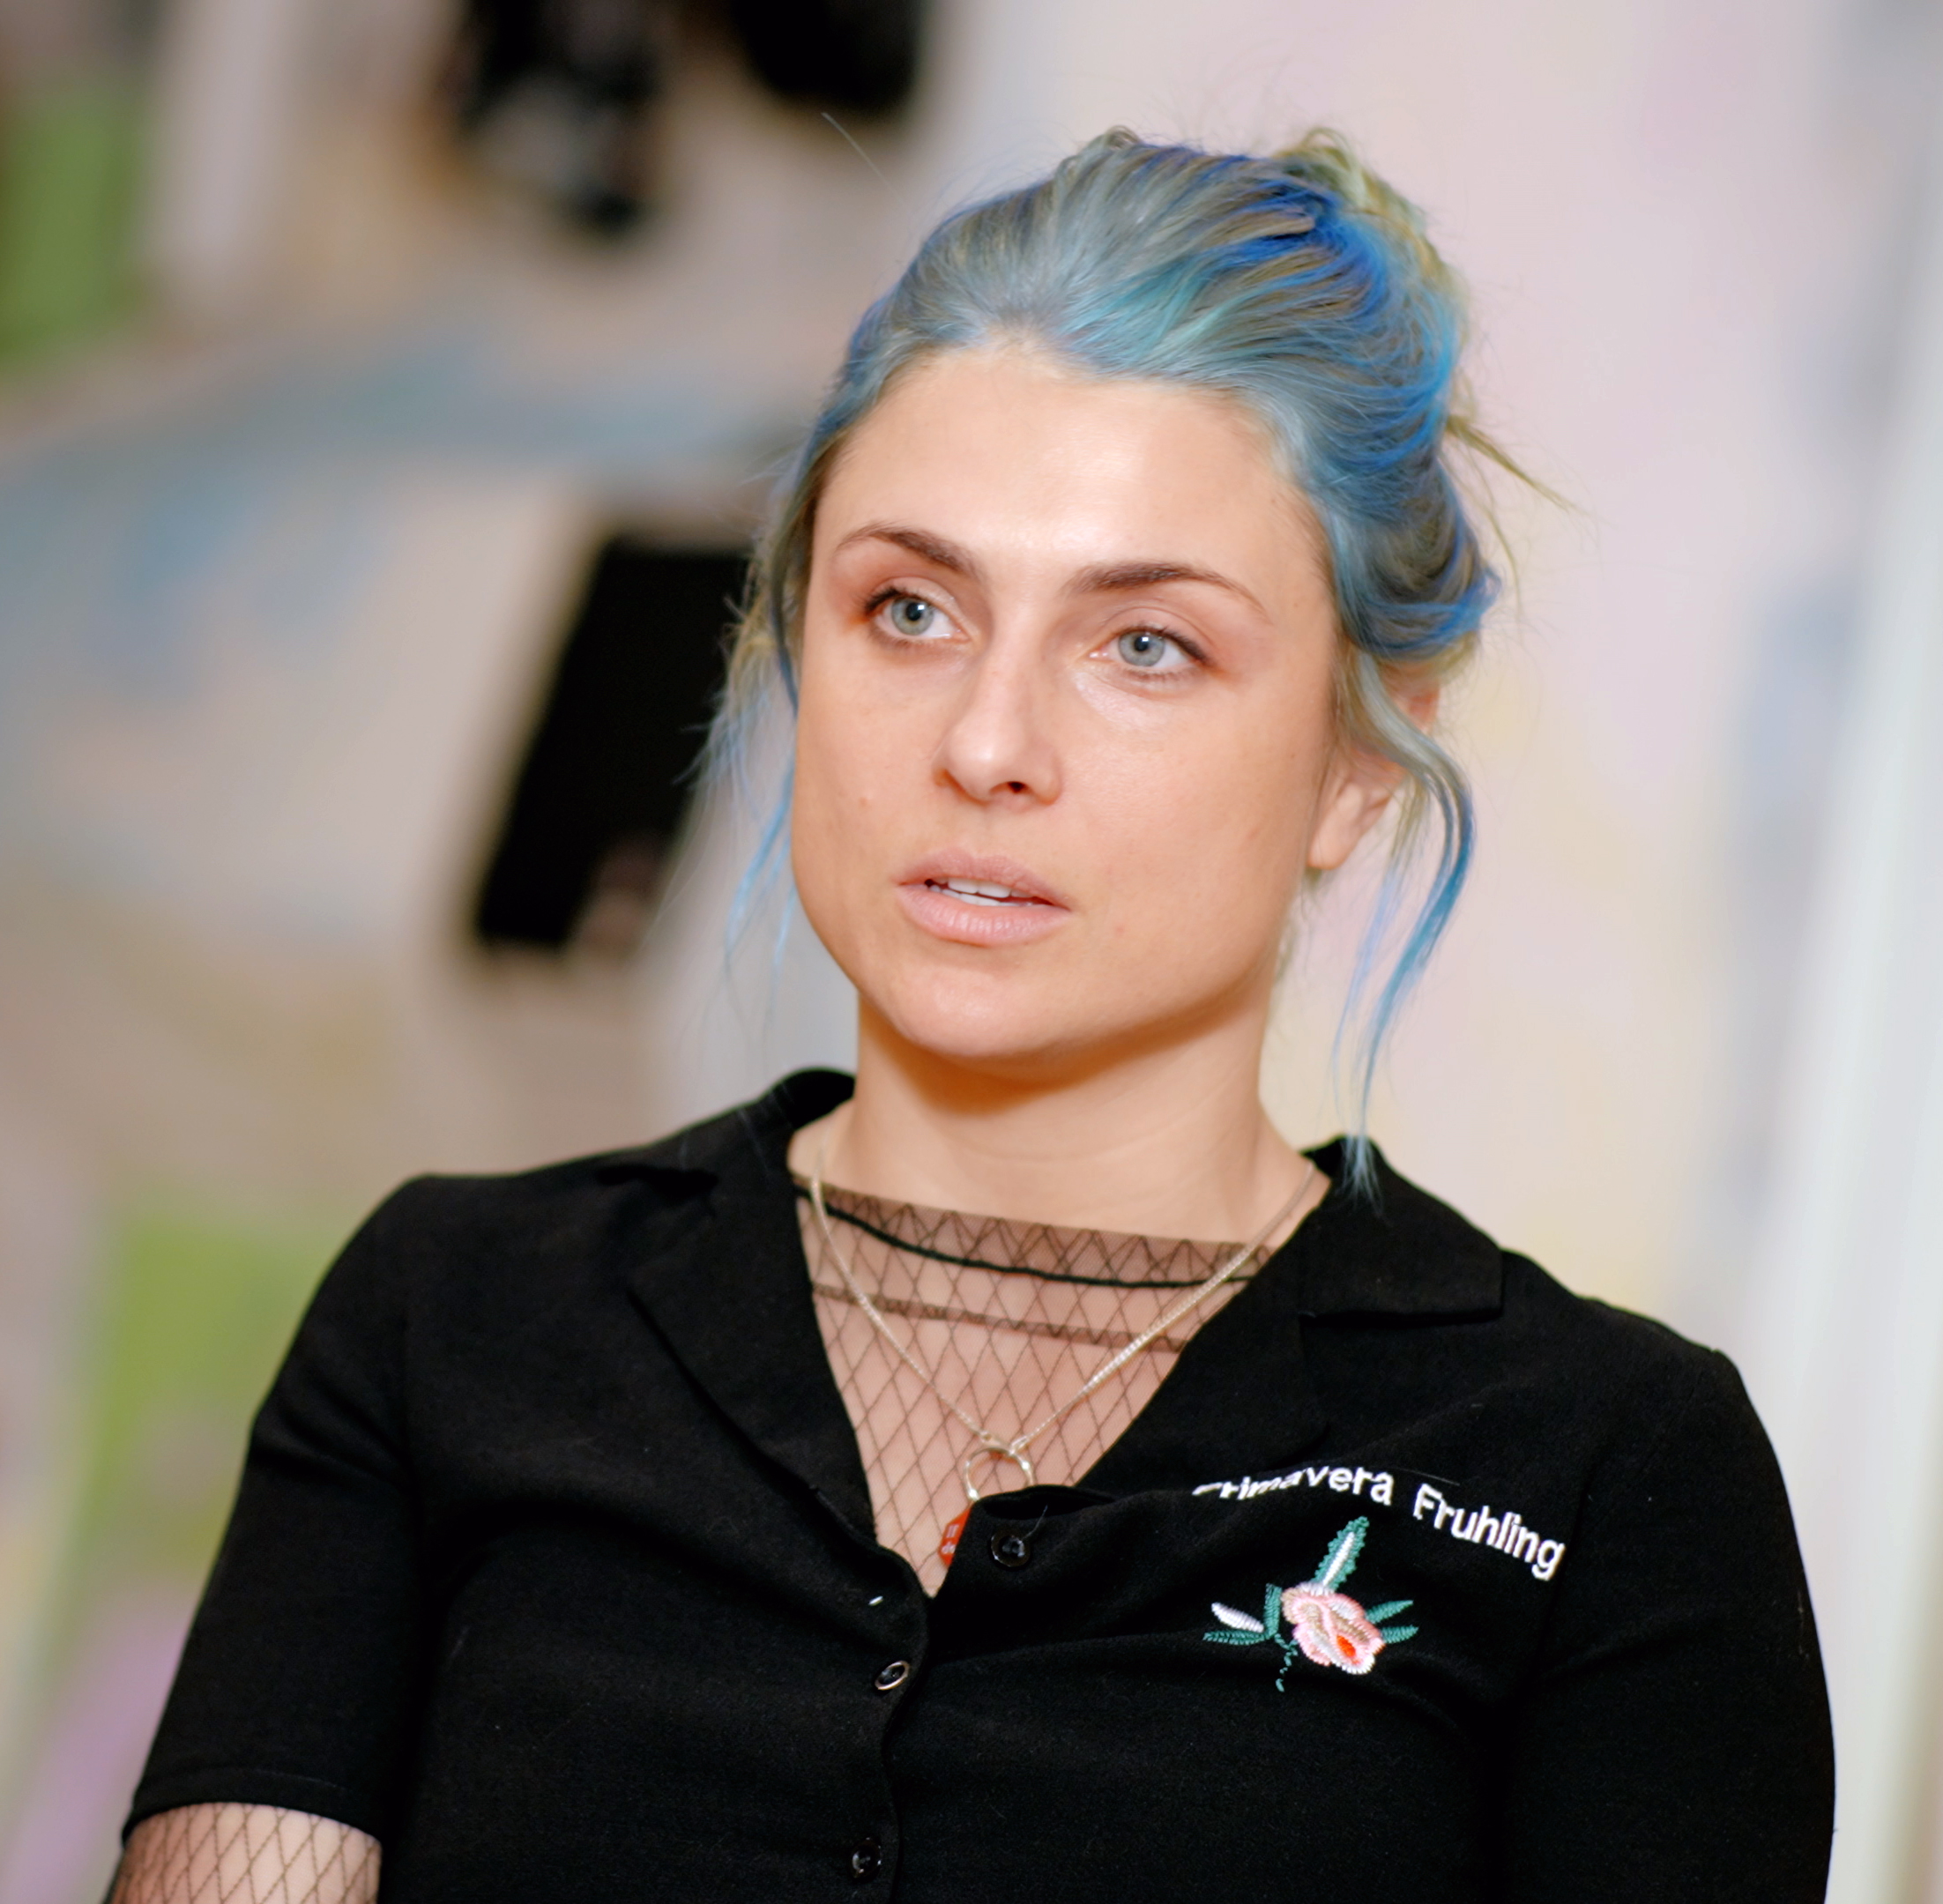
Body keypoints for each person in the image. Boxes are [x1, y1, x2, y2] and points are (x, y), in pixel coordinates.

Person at [112, 130, 1835, 1903]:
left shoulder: (1602, 1465)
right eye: (908, 610)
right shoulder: (460, 1317)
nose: (984, 743)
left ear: (1354, 756)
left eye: (1144, 646)